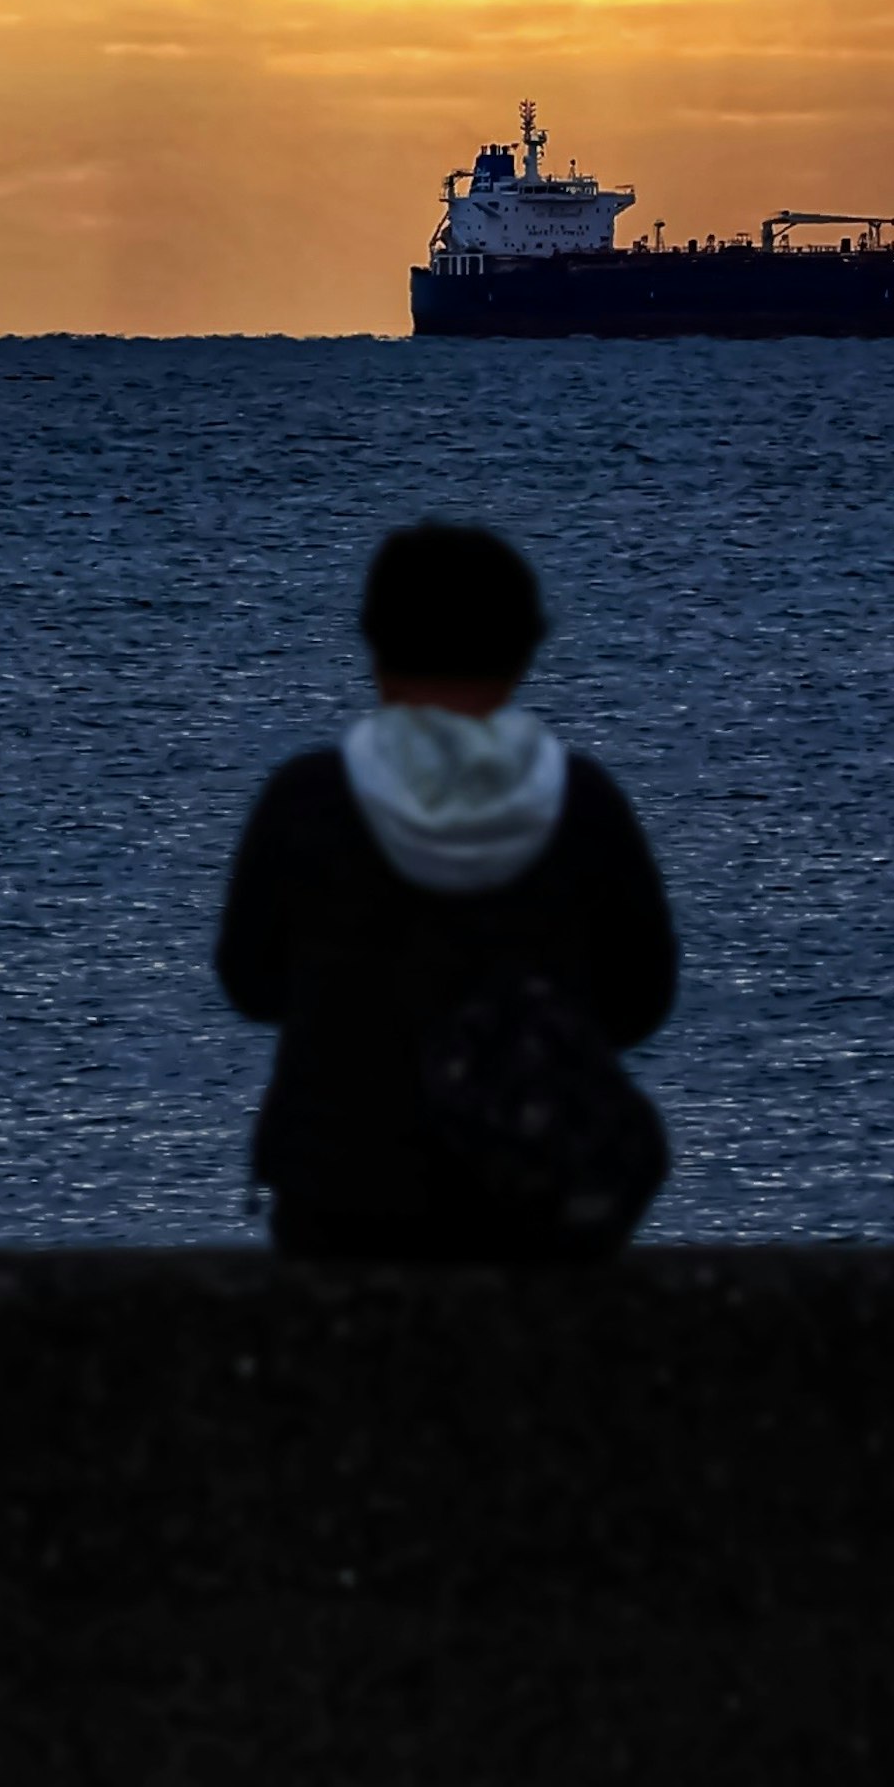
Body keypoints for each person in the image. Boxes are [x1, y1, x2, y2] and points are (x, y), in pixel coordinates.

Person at [215, 519, 678, 1259]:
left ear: (376, 649)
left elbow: (250, 982)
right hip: (537, 1205)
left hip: (340, 1198)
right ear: (524, 652)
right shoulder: (580, 801)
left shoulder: (310, 800)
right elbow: (640, 1000)